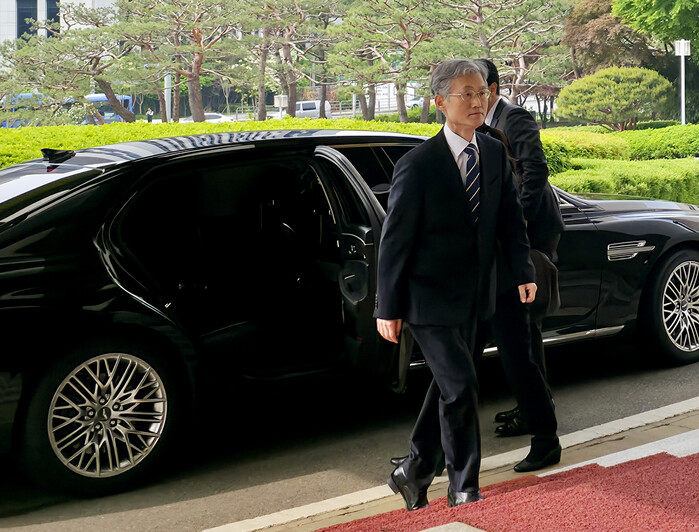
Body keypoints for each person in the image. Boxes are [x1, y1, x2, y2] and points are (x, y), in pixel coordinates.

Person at [375, 59, 536, 511]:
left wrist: (523, 271)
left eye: (482, 92)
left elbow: (510, 221)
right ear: (440, 102)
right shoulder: (418, 164)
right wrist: (387, 306)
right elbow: (395, 240)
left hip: (476, 297)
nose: (477, 101)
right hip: (428, 300)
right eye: (466, 94)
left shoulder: (493, 152)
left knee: (448, 387)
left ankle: (413, 471)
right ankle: (464, 486)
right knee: (462, 386)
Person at [476, 58, 564, 471]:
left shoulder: (515, 117)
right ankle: (533, 407)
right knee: (521, 333)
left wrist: (519, 224)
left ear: (492, 88)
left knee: (525, 327)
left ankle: (537, 412)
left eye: (477, 89)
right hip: (510, 235)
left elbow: (535, 171)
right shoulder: (478, 123)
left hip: (533, 231)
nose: (472, 97)